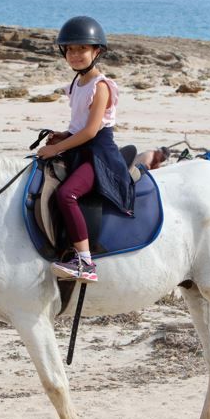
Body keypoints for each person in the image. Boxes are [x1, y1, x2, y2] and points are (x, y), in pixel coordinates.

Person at [35, 16, 135, 283]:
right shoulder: (76, 84)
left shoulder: (100, 86)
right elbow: (80, 126)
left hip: (99, 153)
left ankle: (85, 262)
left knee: (67, 194)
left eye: (82, 49)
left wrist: (55, 150)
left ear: (96, 51)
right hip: (79, 145)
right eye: (70, 49)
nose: (75, 55)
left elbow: (92, 131)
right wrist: (63, 135)